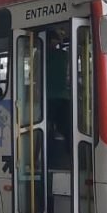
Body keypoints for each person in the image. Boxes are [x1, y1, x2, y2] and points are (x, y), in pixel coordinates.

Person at [46, 28, 71, 161]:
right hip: (63, 98)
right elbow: (68, 77)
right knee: (67, 129)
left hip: (47, 99)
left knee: (47, 128)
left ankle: (46, 157)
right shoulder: (64, 55)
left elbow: (35, 76)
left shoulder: (41, 54)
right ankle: (70, 155)